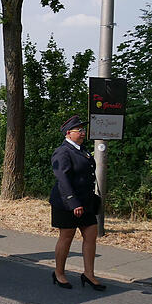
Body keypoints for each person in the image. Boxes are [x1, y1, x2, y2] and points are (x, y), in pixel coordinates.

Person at [50, 115, 106, 291]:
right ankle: (59, 273)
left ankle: (89, 274)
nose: (83, 133)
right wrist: (73, 203)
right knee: (66, 237)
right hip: (66, 203)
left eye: (83, 130)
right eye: (79, 130)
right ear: (69, 133)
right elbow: (62, 178)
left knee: (91, 235)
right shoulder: (63, 152)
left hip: (86, 202)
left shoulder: (82, 150)